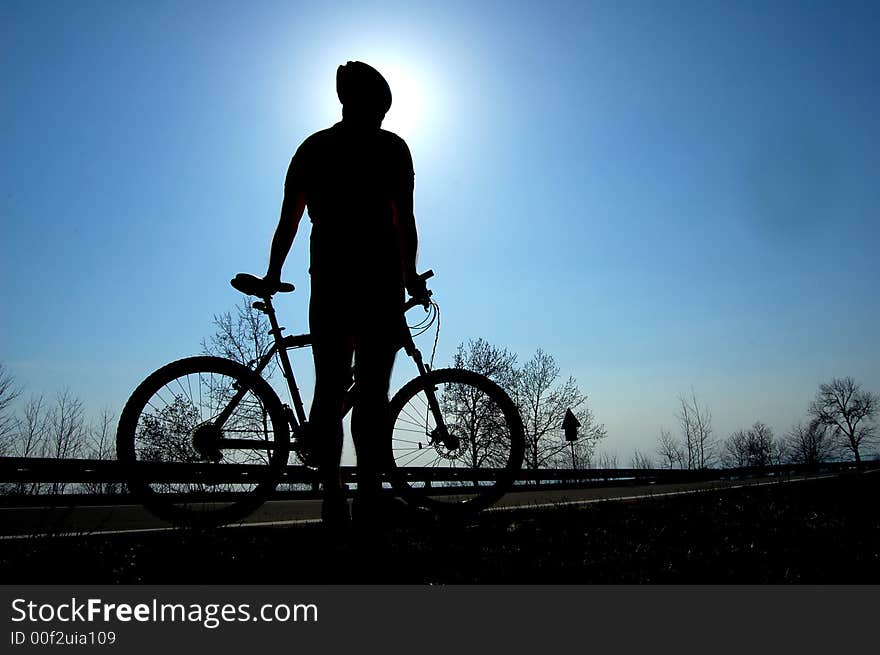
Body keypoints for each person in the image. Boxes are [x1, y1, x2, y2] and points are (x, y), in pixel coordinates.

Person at [262, 61, 427, 526]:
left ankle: (334, 495)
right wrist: (411, 276)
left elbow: (289, 221)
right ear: (373, 103)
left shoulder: (314, 148)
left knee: (330, 389)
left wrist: (274, 273)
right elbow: (404, 221)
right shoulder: (393, 149)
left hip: (330, 280)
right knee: (371, 393)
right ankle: (368, 498)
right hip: (378, 280)